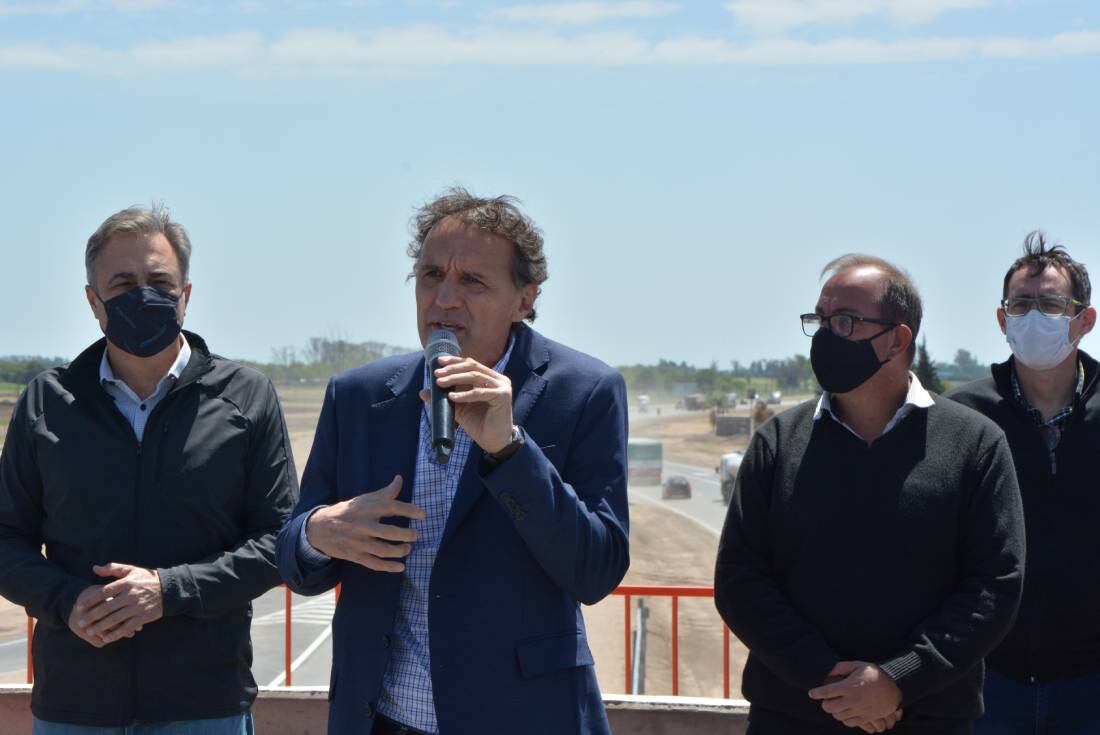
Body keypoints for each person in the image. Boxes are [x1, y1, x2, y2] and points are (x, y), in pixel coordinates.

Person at [276, 188, 630, 735]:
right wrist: (318, 533)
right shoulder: (359, 397)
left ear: (525, 298)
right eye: (431, 276)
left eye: (473, 282)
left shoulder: (582, 393)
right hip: (380, 720)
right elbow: (295, 557)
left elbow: (596, 570)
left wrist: (510, 449)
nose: (444, 299)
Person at [0, 205, 299, 734]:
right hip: (75, 706)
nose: (143, 294)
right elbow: (5, 539)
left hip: (205, 705)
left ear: (186, 295)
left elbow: (278, 540)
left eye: (159, 280)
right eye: (123, 282)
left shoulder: (245, 397)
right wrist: (66, 601)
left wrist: (168, 591)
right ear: (94, 302)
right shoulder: (47, 401)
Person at [715, 254, 1025, 734]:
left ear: (897, 339)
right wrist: (835, 683)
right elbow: (740, 580)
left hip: (927, 718)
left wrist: (896, 681)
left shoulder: (975, 444)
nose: (824, 336)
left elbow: (994, 585)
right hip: (794, 716)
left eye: (844, 321)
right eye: (819, 320)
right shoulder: (778, 442)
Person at [947, 232, 1100, 734]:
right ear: (1001, 318)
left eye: (1052, 304)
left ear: (1085, 319)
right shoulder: (962, 418)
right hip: (990, 680)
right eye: (1021, 304)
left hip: (1091, 681)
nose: (1034, 317)